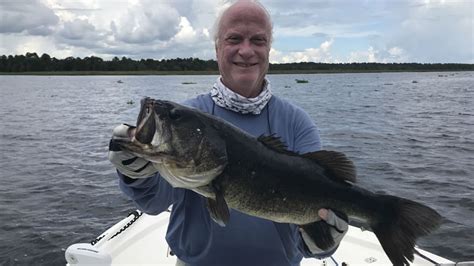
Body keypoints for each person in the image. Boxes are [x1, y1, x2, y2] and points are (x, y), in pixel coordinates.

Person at [108, 1, 348, 265]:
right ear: (217, 47)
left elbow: (315, 234)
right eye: (234, 38)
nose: (246, 50)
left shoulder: (297, 123)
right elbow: (154, 202)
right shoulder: (190, 114)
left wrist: (323, 242)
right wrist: (135, 175)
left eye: (258, 40)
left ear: (268, 50)